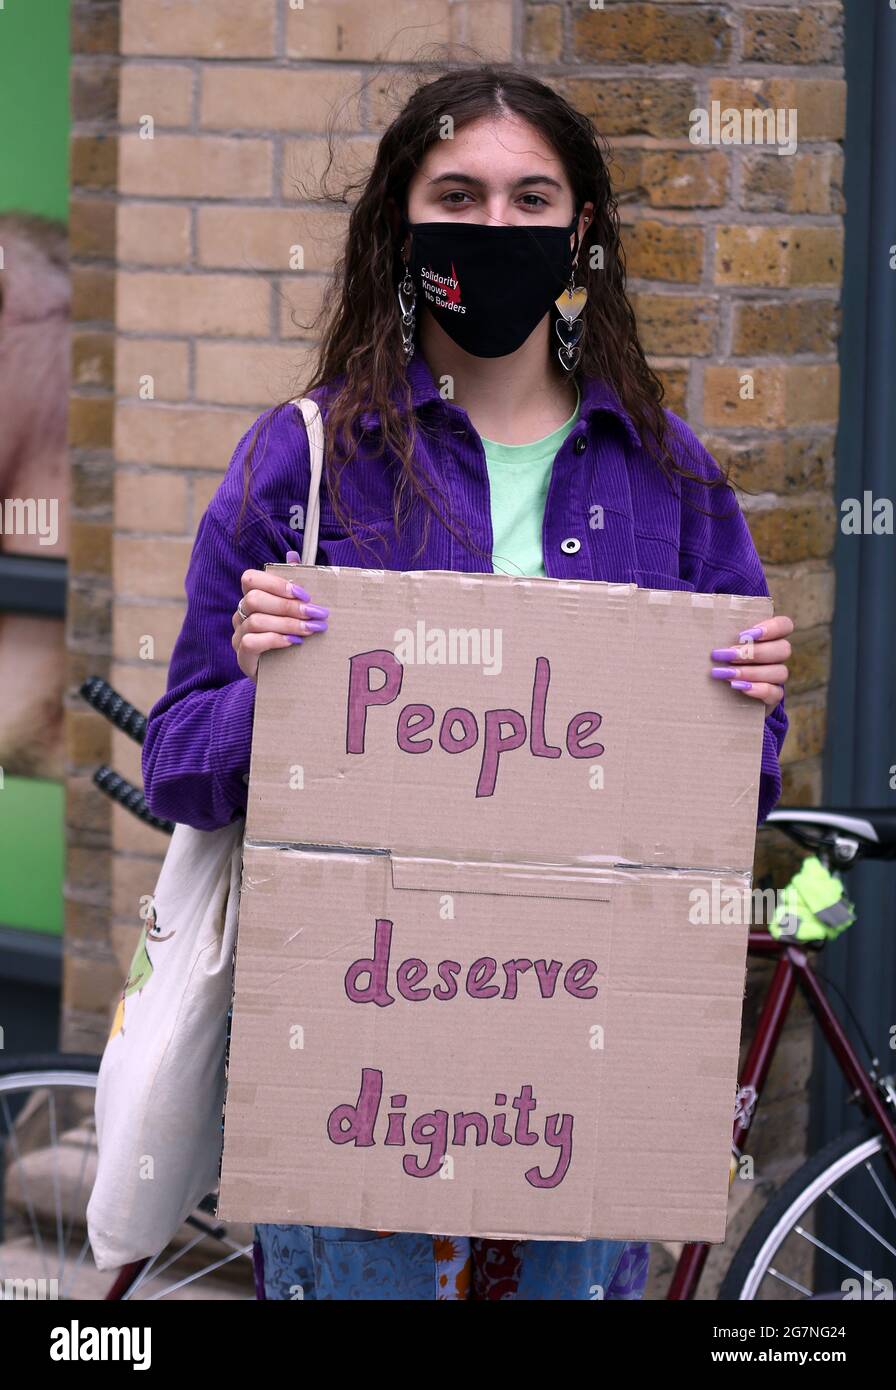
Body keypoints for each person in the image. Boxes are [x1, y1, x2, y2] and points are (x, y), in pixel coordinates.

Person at [141, 64, 791, 1301]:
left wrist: (743, 709)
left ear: (578, 233)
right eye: (458, 195)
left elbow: (731, 800)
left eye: (530, 198)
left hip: (578, 1080)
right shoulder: (307, 460)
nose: (494, 228)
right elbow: (178, 758)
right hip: (352, 1077)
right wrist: (264, 688)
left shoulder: (670, 473)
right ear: (402, 223)